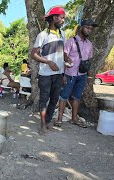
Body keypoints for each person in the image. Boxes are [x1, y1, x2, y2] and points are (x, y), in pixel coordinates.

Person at [31, 6, 72, 134]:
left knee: (54, 99)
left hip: (59, 74)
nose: (63, 20)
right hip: (45, 74)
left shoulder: (62, 34)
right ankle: (43, 124)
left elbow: (61, 54)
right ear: (54, 18)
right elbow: (34, 54)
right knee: (44, 99)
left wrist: (67, 59)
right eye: (62, 18)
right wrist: (48, 61)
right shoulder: (42, 35)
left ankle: (48, 120)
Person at [54, 19, 97, 128]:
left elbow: (88, 61)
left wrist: (89, 76)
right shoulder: (71, 41)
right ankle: (59, 119)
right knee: (64, 96)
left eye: (91, 29)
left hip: (82, 75)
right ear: (81, 27)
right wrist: (63, 74)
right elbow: (63, 56)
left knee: (77, 97)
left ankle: (74, 119)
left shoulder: (89, 44)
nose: (89, 30)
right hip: (70, 74)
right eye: (87, 27)